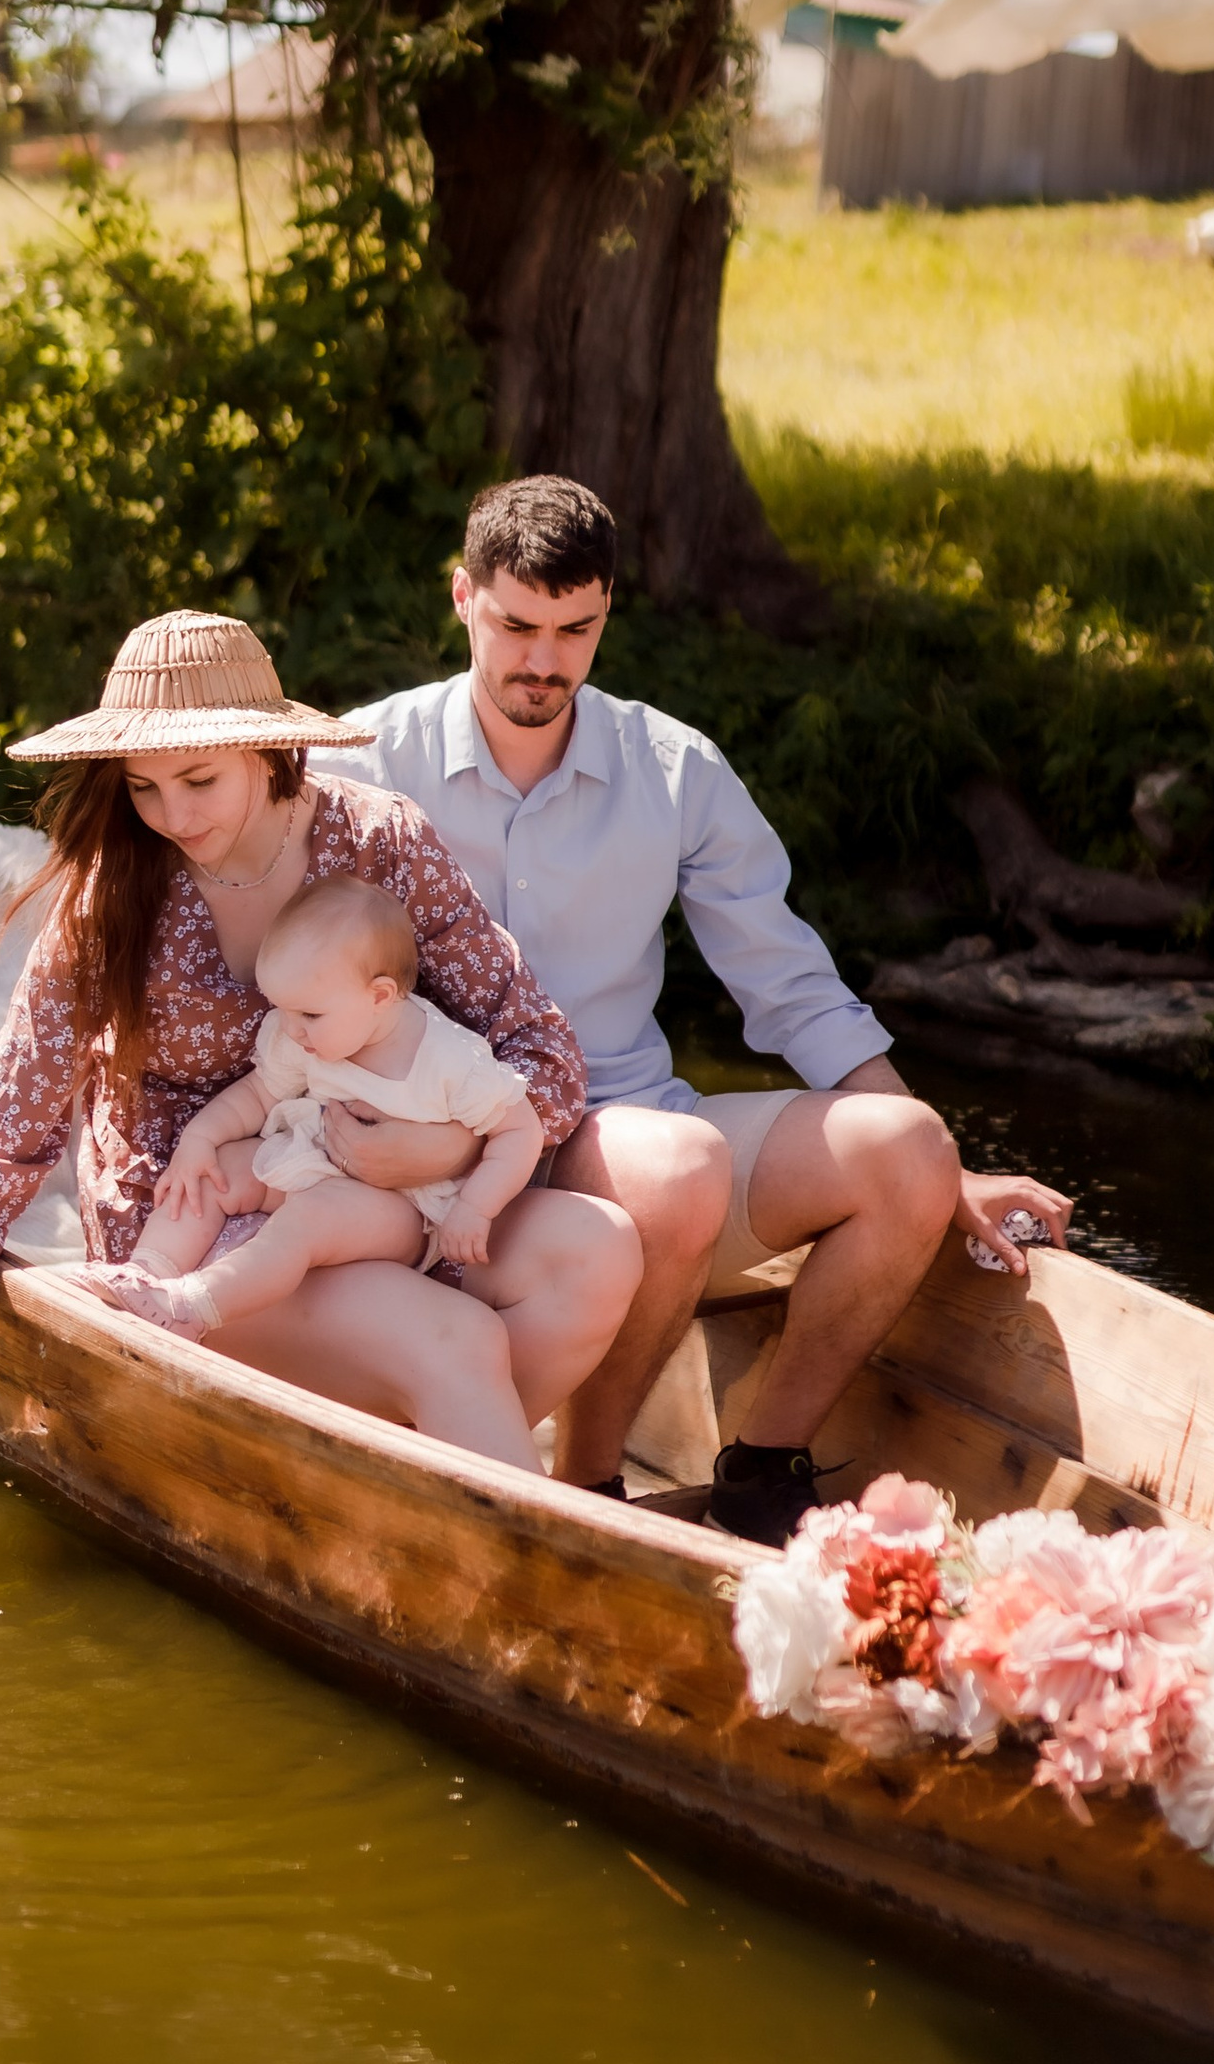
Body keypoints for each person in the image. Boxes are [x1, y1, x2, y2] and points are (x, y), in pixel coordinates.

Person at [338, 477, 1071, 1544]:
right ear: (463, 598)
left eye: (574, 630)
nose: (543, 660)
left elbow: (789, 983)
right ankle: (590, 1487)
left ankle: (760, 1469)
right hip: (432, 1145)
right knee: (676, 1170)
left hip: (617, 1123)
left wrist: (953, 1173)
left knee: (906, 1149)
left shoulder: (672, 769)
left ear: (605, 619)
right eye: (517, 626)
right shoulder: (363, 761)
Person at [0, 609, 641, 1525]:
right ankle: (501, 1549)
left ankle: (394, 1510)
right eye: (144, 788)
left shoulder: (377, 843)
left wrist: (440, 1149)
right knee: (456, 1340)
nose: (173, 816)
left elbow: (540, 1050)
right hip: (194, 1226)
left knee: (598, 1252)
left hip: (380, 1197)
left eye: (199, 779)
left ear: (267, 750)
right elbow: (0, 1141)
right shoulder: (111, 897)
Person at [90, 874, 545, 1377]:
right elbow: (258, 1094)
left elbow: (522, 1131)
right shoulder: (308, 1030)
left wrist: (476, 1207)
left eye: (308, 1013)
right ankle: (147, 1271)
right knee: (216, 1169)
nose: (291, 1028)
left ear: (380, 996)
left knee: (309, 1219)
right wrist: (200, 1139)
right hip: (313, 1153)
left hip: (399, 1207)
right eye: (281, 1008)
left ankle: (191, 1309)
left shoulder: (450, 1061)